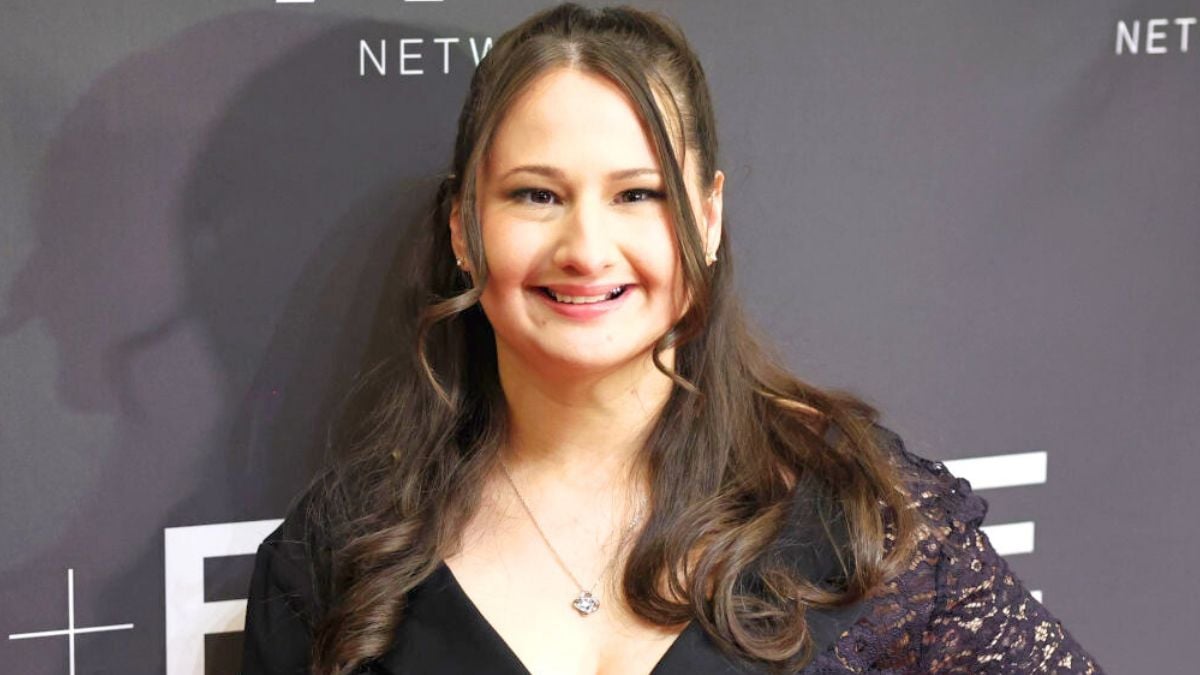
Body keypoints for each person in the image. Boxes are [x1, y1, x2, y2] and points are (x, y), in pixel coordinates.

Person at [241, 4, 1103, 674]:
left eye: (639, 194)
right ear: (464, 228)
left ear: (710, 213)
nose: (585, 248)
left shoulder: (850, 500)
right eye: (536, 195)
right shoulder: (339, 557)